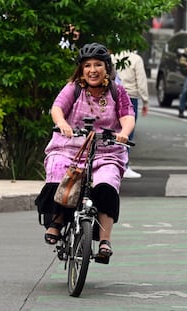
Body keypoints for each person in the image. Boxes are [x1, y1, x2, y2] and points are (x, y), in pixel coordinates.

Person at [35, 42, 135, 264]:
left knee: (107, 185)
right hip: (69, 147)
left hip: (106, 150)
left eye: (98, 64)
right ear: (81, 69)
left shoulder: (117, 91)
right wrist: (62, 123)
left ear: (106, 68)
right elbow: (57, 108)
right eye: (87, 65)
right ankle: (57, 221)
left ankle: (105, 241)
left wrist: (124, 133)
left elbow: (127, 115)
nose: (93, 70)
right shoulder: (73, 88)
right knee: (59, 174)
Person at [112, 50, 149, 178]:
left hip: (111, 95)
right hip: (130, 96)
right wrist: (145, 100)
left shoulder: (112, 57)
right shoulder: (136, 59)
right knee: (127, 133)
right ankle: (124, 165)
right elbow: (141, 81)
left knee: (112, 131)